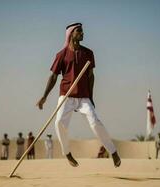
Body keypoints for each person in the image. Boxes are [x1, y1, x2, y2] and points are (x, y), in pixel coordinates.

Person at [36, 22, 121, 167]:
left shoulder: (88, 53)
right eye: (79, 31)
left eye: (82, 31)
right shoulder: (61, 55)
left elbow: (91, 76)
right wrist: (44, 96)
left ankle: (113, 152)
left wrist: (91, 97)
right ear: (71, 34)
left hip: (83, 96)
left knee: (95, 122)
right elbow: (53, 77)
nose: (83, 33)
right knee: (59, 123)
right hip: (66, 96)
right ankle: (67, 153)